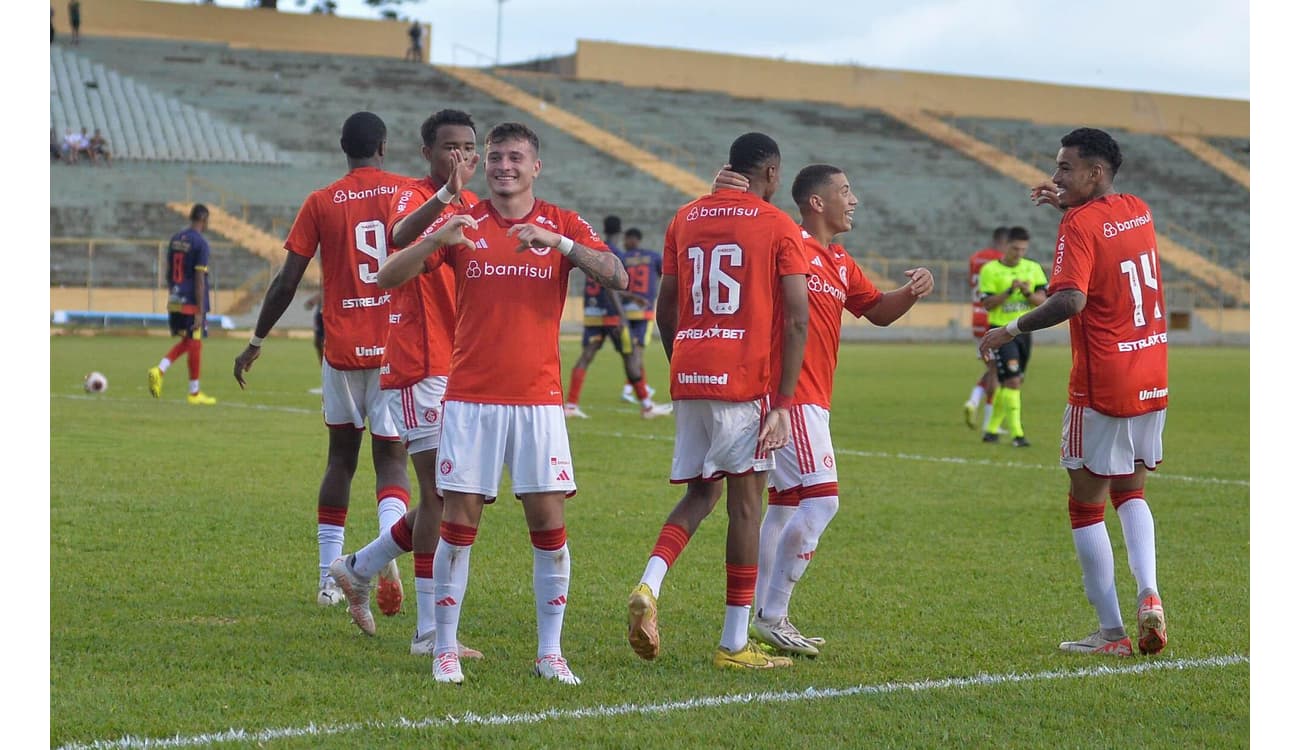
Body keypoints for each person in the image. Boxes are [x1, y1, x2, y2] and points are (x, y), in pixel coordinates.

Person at [374, 120, 627, 685]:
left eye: (515, 157)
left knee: (548, 522)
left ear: (536, 166)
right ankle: (443, 648)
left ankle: (549, 653)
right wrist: (438, 240)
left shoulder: (561, 222)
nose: (503, 166)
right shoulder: (464, 221)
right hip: (470, 401)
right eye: (495, 158)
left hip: (539, 402)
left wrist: (559, 244)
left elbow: (619, 274)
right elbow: (387, 274)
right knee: (458, 522)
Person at [713, 164, 932, 657]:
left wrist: (912, 291)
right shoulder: (785, 241)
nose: (853, 200)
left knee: (786, 503)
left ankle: (760, 614)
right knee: (823, 500)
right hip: (789, 398)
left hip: (812, 398)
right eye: (845, 191)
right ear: (817, 202)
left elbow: (876, 310)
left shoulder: (839, 260)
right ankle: (772, 614)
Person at [981, 127, 1168, 658]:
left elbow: (1069, 301)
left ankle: (1111, 635)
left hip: (1102, 381)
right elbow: (1104, 243)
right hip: (1151, 369)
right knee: (1131, 491)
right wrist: (1066, 204)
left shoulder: (1078, 222)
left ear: (1095, 172)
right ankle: (1149, 592)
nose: (1055, 175)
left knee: (1085, 506)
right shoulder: (1138, 208)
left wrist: (1011, 328)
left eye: (1065, 168)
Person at [625, 132, 810, 670]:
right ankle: (733, 643)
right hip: (744, 382)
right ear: (771, 175)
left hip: (691, 371)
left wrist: (681, 358)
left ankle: (649, 584)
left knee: (701, 494)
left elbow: (665, 307)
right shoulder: (777, 225)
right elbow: (796, 317)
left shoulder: (684, 217)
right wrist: (781, 401)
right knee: (748, 507)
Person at [232, 112, 412, 611]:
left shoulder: (321, 200)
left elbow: (287, 281)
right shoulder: (404, 192)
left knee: (340, 460)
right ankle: (382, 555)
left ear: (342, 147)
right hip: (396, 346)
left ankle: (328, 581)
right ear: (383, 146)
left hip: (342, 348)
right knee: (392, 458)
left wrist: (256, 339)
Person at [326, 109, 485, 661]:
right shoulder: (412, 197)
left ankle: (358, 566)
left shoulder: (477, 209)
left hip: (467, 366)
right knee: (441, 493)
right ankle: (426, 633)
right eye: (448, 147)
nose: (459, 156)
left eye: (468, 147)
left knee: (457, 493)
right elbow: (398, 238)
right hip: (421, 363)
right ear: (427, 154)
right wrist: (442, 199)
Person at [565, 216, 670, 419]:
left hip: (593, 313)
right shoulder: (617, 253)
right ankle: (647, 407)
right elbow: (611, 286)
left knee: (586, 356)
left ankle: (570, 405)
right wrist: (622, 314)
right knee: (630, 356)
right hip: (612, 316)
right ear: (619, 232)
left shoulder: (593, 247)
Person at [977, 225, 1046, 447]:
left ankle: (990, 430)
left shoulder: (1033, 268)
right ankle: (1017, 434)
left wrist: (1026, 292)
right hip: (1001, 332)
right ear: (1006, 246)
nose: (1019, 254)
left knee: (1013, 382)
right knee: (1013, 381)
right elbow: (987, 304)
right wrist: (1008, 291)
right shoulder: (990, 270)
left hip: (1024, 331)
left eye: (1023, 249)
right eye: (1015, 249)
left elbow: (1043, 302)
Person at [148, 204, 217, 405]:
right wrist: (199, 310)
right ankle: (165, 374)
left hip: (176, 297)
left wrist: (173, 293)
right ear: (204, 219)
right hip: (191, 299)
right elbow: (198, 277)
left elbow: (169, 271)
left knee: (191, 342)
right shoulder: (201, 243)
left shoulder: (176, 239)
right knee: (194, 342)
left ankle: (190, 390)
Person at [963, 227, 1009, 431]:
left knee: (993, 368)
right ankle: (990, 423)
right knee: (997, 372)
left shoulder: (975, 258)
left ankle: (974, 400)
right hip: (994, 319)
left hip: (976, 317)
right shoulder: (1001, 261)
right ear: (1005, 243)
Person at [616, 227, 666, 408]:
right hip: (643, 311)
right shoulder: (652, 256)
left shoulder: (622, 257)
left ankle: (635, 389)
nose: (624, 242)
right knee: (636, 352)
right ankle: (639, 394)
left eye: (626, 239)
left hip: (624, 311)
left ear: (632, 239)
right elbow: (665, 275)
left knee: (632, 352)